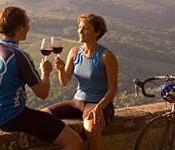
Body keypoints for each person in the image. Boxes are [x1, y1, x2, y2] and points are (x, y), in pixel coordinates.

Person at [0, 6, 83, 150]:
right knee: (74, 142)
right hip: (9, 116)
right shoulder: (18, 55)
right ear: (19, 27)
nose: (29, 27)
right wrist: (45, 72)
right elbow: (43, 93)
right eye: (27, 23)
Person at [42, 13, 118, 150]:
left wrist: (99, 107)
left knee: (92, 129)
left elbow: (112, 89)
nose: (80, 31)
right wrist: (60, 70)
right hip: (77, 102)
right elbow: (65, 81)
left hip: (99, 104)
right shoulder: (74, 52)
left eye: (86, 28)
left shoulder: (106, 56)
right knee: (43, 115)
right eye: (79, 27)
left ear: (97, 32)